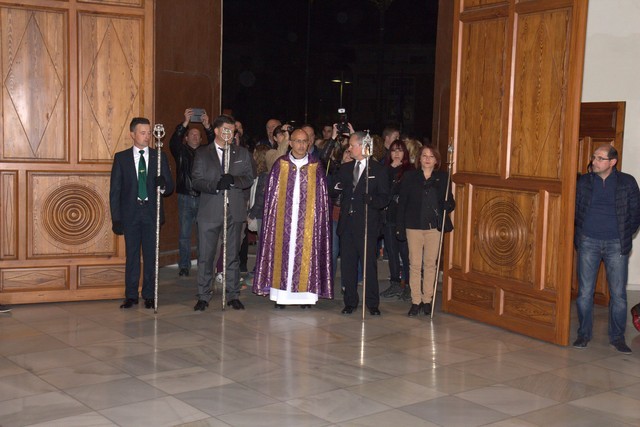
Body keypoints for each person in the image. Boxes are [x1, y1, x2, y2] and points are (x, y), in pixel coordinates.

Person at [253, 129, 333, 307]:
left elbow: (322, 200)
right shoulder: (280, 164)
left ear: (309, 144)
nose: (301, 145)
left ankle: (306, 297)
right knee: (283, 255)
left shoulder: (315, 166)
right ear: (290, 143)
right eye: (297, 141)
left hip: (308, 223)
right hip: (283, 221)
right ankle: (281, 296)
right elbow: (271, 197)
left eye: (304, 141)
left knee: (306, 256)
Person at [573, 145, 640, 354]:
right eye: (594, 157)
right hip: (588, 242)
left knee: (618, 295)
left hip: (615, 244)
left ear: (613, 162)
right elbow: (574, 210)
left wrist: (623, 237)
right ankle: (583, 334)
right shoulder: (583, 182)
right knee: (584, 293)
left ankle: (617, 338)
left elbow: (636, 213)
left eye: (600, 158)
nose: (594, 161)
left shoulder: (627, 182)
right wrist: (581, 236)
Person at [110, 117, 175, 309]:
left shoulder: (159, 156)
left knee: (150, 255)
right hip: (130, 213)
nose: (147, 137)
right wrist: (117, 218)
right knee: (132, 256)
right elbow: (115, 191)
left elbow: (170, 186)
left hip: (151, 212)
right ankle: (131, 295)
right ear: (132, 134)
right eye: (143, 132)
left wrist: (163, 185)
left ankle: (149, 294)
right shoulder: (121, 158)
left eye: (149, 133)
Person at [191, 115, 254, 311]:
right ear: (217, 131)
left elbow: (249, 178)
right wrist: (215, 185)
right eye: (225, 129)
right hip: (210, 211)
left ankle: (233, 294)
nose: (229, 133)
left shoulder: (242, 153)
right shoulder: (203, 153)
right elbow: (196, 180)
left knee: (232, 255)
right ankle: (203, 295)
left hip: (233, 211)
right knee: (206, 256)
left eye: (232, 130)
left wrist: (233, 180)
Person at [333, 131, 390, 315]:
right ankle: (350, 301)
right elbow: (335, 189)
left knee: (369, 266)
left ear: (363, 146)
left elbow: (385, 198)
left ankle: (372, 303)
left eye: (352, 145)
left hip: (367, 225)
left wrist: (371, 199)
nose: (349, 148)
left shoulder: (378, 170)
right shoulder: (345, 168)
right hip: (347, 224)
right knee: (348, 265)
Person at [396, 145, 454, 317]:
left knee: (430, 264)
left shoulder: (443, 177)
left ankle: (427, 300)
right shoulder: (409, 177)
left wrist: (447, 205)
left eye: (431, 156)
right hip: (413, 226)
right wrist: (399, 227)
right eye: (424, 156)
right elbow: (403, 203)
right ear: (419, 159)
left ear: (436, 160)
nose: (427, 159)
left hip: (433, 227)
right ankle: (416, 301)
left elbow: (450, 201)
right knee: (414, 264)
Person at [169, 108, 214, 277]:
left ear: (201, 139)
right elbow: (173, 141)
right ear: (186, 138)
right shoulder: (180, 151)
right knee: (184, 234)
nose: (195, 136)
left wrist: (207, 126)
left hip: (204, 198)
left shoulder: (206, 152)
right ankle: (184, 266)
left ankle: (203, 265)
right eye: (191, 134)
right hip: (185, 197)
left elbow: (214, 142)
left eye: (198, 134)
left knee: (204, 235)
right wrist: (185, 123)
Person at [380, 140, 412, 299]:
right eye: (393, 150)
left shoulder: (409, 170)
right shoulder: (385, 170)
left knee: (405, 253)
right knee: (391, 251)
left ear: (405, 152)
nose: (397, 153)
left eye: (400, 150)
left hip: (404, 218)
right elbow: (383, 192)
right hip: (388, 216)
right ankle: (394, 283)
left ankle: (408, 285)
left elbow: (406, 193)